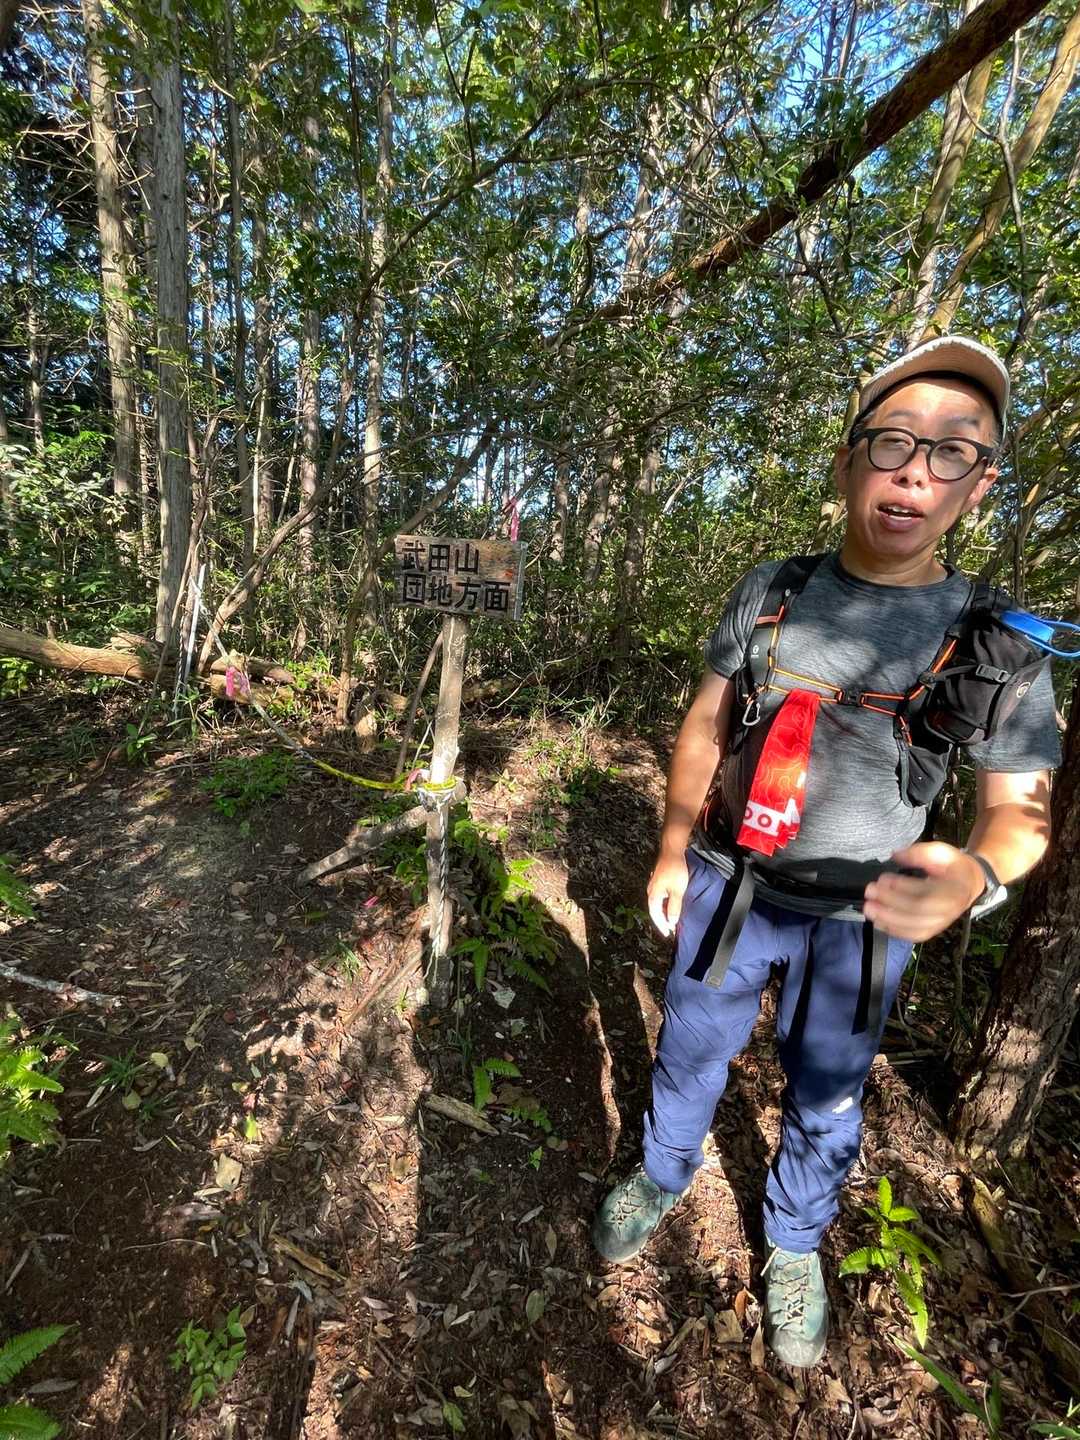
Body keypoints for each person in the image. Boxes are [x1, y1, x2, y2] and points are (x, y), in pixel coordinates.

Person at [591, 335, 1062, 1368]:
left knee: (828, 1091)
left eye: (954, 451)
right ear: (849, 461)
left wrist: (976, 874)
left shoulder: (995, 640)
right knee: (691, 1047)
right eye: (894, 441)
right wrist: (671, 846)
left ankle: (795, 1241)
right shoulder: (774, 588)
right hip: (730, 883)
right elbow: (706, 724)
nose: (916, 471)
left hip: (863, 919)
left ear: (981, 484)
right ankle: (664, 1173)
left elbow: (1021, 809)